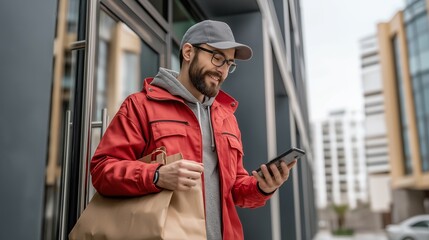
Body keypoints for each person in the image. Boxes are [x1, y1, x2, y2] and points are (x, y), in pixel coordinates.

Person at [90, 20, 296, 240]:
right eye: (217, 58)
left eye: (229, 63)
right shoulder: (141, 106)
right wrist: (157, 175)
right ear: (188, 52)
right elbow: (102, 171)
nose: (222, 70)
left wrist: (262, 187)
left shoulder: (227, 118)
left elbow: (234, 189)